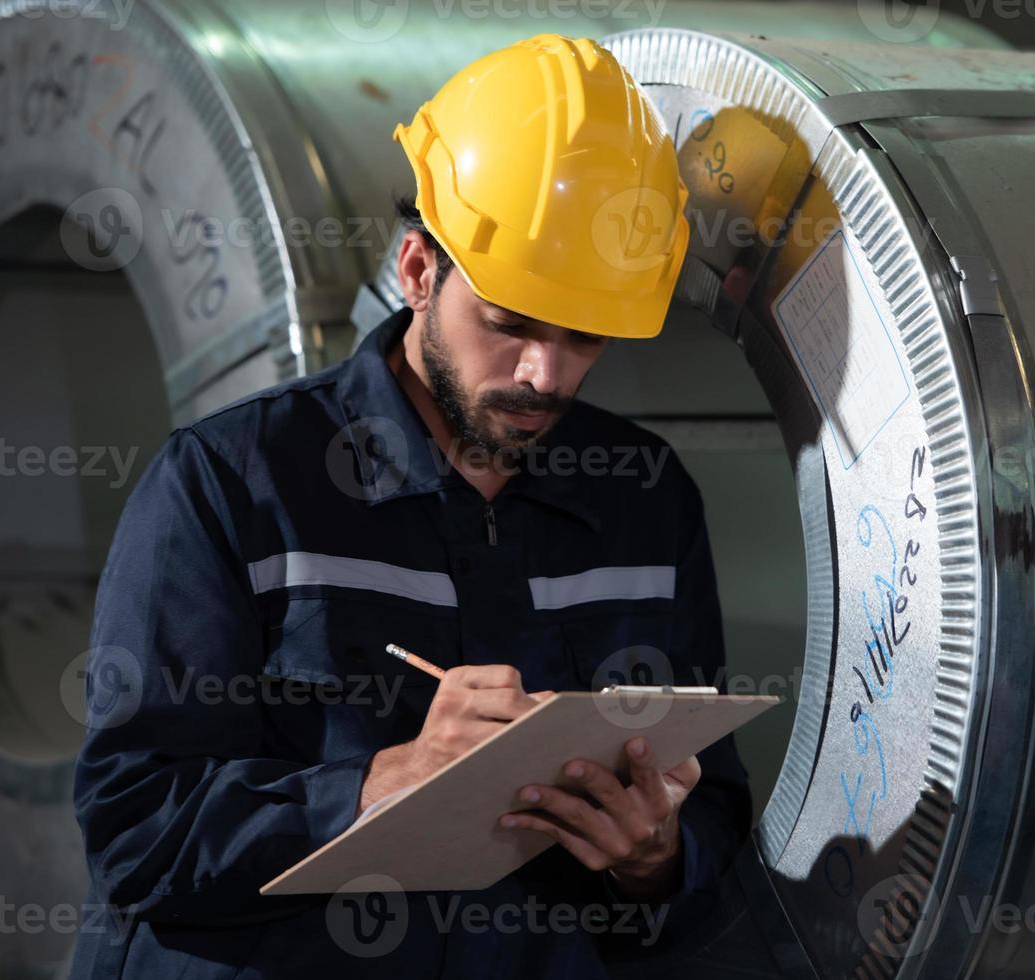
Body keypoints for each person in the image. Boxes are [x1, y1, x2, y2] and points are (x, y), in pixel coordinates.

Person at [69, 34, 751, 978]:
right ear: (419, 271)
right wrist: (382, 783)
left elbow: (713, 814)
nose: (543, 374)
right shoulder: (233, 482)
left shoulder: (644, 497)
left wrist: (654, 858)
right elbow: (133, 827)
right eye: (509, 323)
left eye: (584, 336)